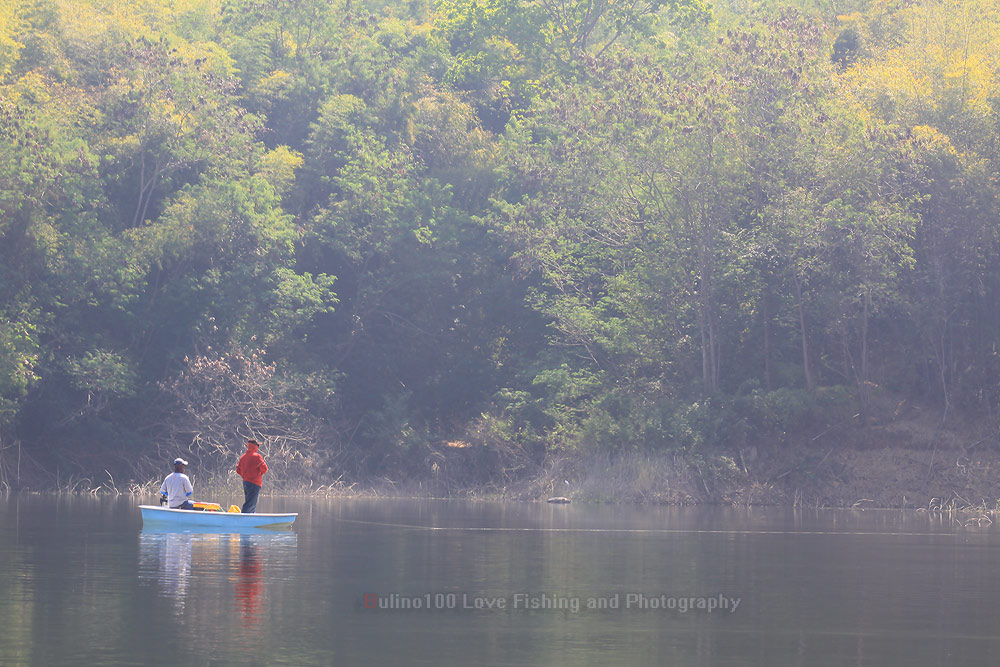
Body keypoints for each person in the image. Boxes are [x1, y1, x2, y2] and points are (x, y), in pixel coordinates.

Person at [236, 439, 268, 513]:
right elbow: (265, 469)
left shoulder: (243, 457)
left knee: (250, 503)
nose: (258, 447)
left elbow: (238, 470)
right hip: (254, 483)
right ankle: (243, 519)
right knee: (250, 504)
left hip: (246, 483)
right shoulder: (257, 456)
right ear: (254, 446)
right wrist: (260, 474)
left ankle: (251, 518)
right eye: (258, 445)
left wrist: (245, 475)